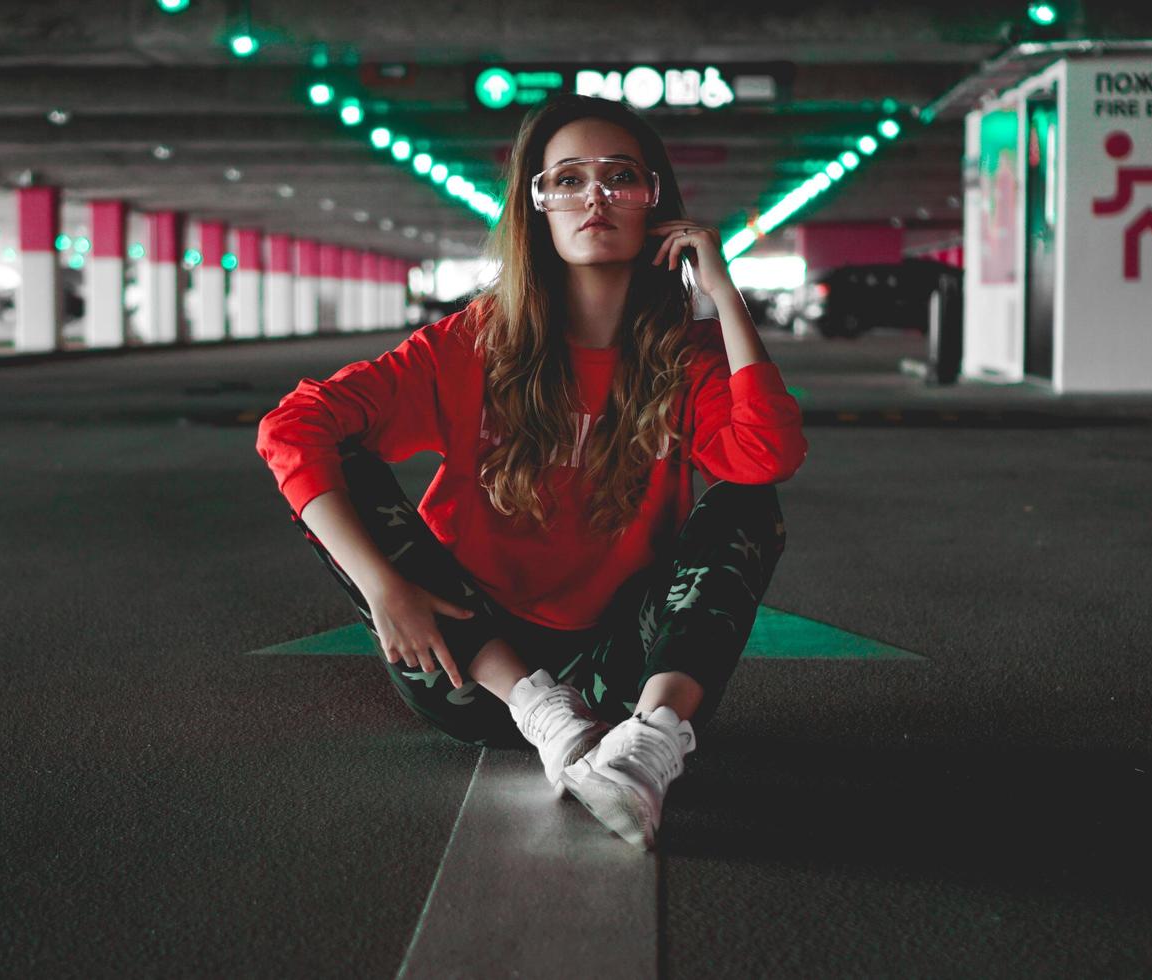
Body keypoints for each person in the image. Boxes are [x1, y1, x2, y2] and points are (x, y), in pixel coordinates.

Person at [255, 94, 806, 849]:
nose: (596, 198)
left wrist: (723, 295)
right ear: (536, 206)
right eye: (569, 180)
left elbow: (767, 454)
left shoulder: (685, 356)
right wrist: (381, 588)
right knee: (343, 461)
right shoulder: (473, 342)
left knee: (748, 501)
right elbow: (294, 424)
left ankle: (646, 752)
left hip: (622, 674)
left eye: (620, 178)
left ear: (656, 203)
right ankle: (547, 716)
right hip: (468, 665)